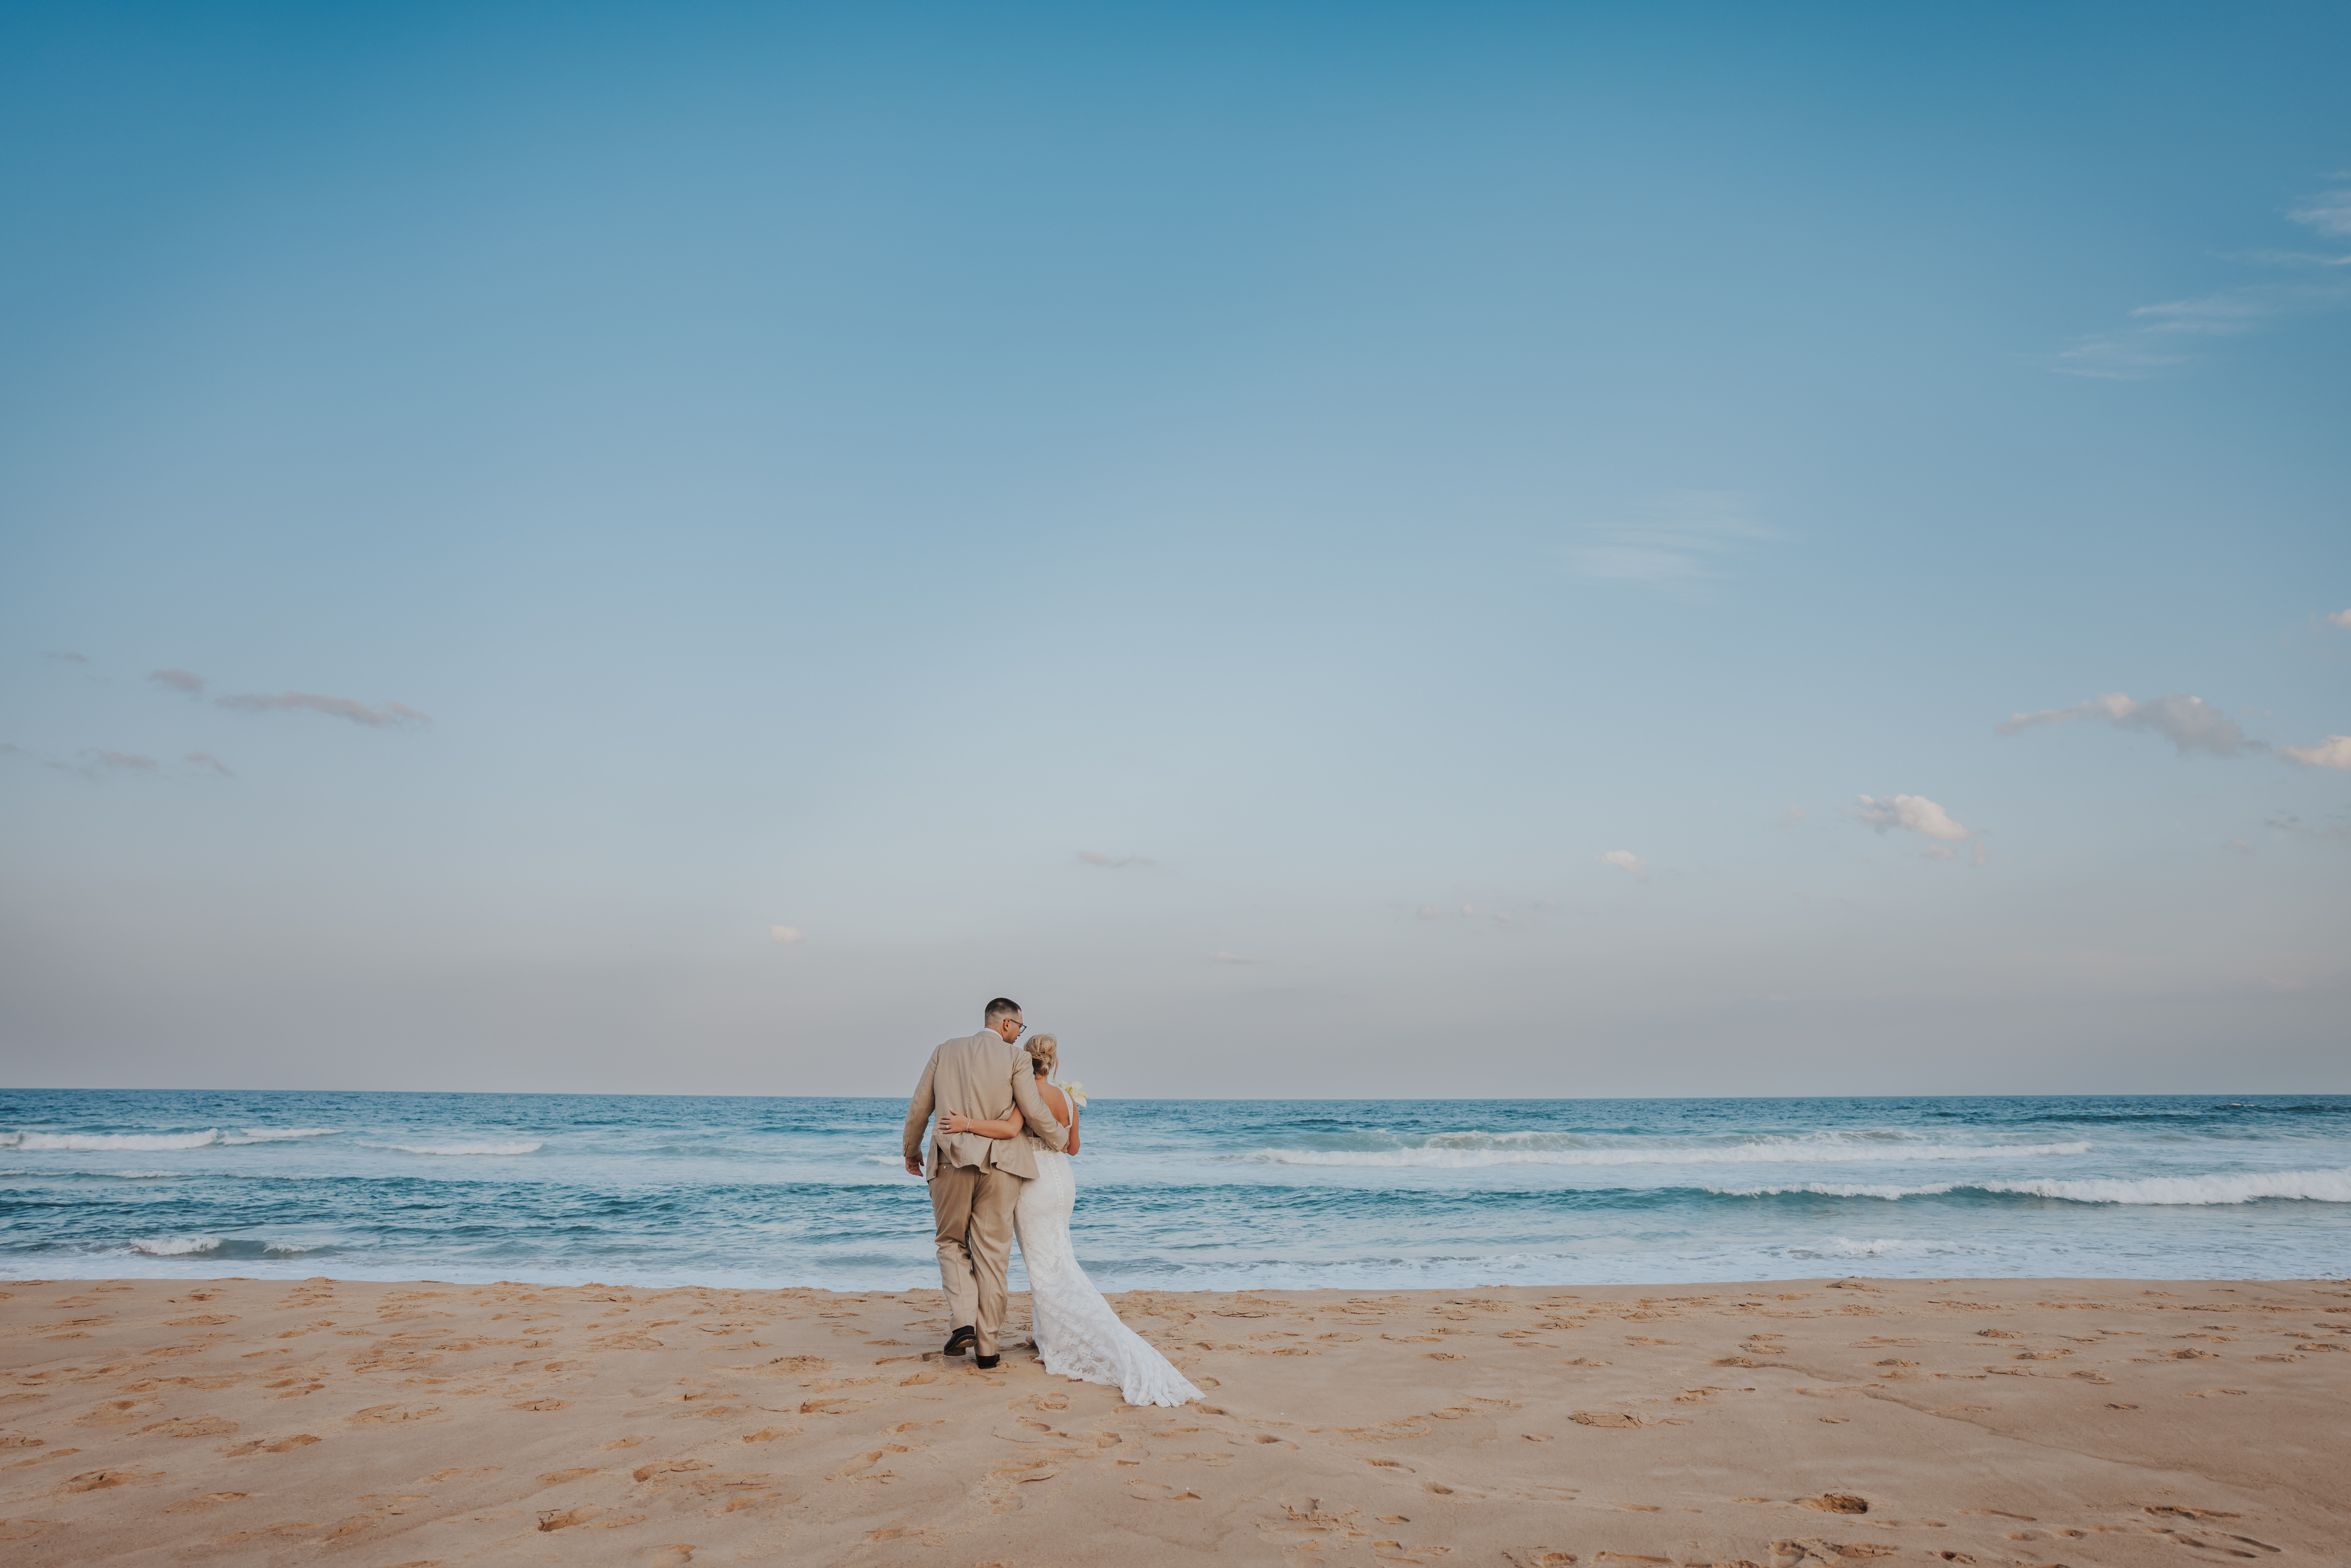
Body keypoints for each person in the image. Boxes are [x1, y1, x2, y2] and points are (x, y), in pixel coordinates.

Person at [940, 1033, 1200, 1407]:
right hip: (1062, 1181)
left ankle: (1057, 1342)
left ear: (1024, 1063)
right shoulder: (1067, 1097)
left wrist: (967, 1123)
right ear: (1052, 1061)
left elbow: (1010, 1130)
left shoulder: (1025, 1094)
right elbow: (1073, 1147)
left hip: (1034, 1183)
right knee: (1059, 1252)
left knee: (1043, 1264)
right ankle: (1043, 1331)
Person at [901, 998, 1069, 1369]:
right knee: (993, 1257)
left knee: (951, 1242)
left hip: (951, 1161)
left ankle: (963, 1321)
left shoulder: (945, 1050)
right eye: (1020, 1027)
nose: (1019, 1034)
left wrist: (910, 1149)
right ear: (1007, 1023)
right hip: (1003, 1166)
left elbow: (919, 1106)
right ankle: (988, 1349)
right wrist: (1060, 1138)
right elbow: (1034, 1108)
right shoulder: (1016, 1059)